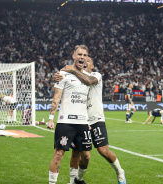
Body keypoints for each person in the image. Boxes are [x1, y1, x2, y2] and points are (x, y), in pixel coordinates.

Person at [55, 57, 126, 184]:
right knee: (78, 153)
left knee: (103, 151)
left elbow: (88, 81)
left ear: (92, 66)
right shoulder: (74, 76)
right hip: (82, 120)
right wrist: (58, 76)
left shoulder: (96, 75)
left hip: (96, 119)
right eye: (83, 60)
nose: (85, 62)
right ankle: (77, 180)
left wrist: (71, 70)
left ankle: (120, 172)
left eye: (88, 61)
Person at [47, 45, 92, 184]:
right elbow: (57, 97)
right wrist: (50, 118)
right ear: (74, 55)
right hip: (66, 121)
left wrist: (89, 120)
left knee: (83, 155)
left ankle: (74, 182)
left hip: (83, 123)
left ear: (87, 58)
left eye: (84, 55)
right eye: (79, 54)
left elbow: (89, 101)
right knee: (59, 154)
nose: (82, 57)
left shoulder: (88, 78)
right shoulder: (63, 74)